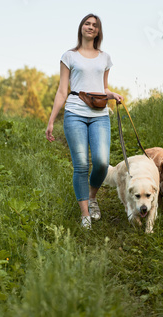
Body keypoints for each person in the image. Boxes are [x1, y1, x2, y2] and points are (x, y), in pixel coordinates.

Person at [45, 13, 124, 229]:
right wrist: (51, 121)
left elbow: (103, 87)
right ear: (81, 28)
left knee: (100, 162)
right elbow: (62, 90)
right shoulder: (69, 56)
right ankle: (85, 215)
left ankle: (92, 196)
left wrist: (112, 94)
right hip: (75, 113)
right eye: (87, 24)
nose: (90, 27)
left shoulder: (104, 57)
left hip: (99, 115)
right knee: (81, 165)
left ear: (98, 31)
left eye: (95, 25)